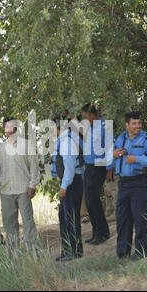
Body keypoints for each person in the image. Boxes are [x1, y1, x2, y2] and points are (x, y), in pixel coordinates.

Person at [112, 111, 147, 261]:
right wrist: (114, 156)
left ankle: (140, 252)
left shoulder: (146, 139)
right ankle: (122, 253)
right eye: (134, 123)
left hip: (140, 183)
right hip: (124, 183)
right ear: (127, 125)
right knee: (122, 219)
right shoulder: (121, 139)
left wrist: (137, 159)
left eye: (139, 123)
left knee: (140, 219)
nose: (138, 126)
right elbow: (111, 160)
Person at [0, 118, 41, 250]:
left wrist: (32, 184)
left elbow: (34, 166)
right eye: (6, 127)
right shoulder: (1, 148)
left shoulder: (26, 145)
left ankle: (33, 250)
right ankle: (13, 251)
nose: (8, 130)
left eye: (11, 127)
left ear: (16, 128)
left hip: (23, 189)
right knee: (9, 222)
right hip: (6, 191)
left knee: (27, 221)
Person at [51, 116, 85, 261]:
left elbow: (70, 167)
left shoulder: (67, 142)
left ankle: (74, 252)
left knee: (70, 219)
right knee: (64, 218)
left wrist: (64, 186)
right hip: (72, 182)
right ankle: (67, 251)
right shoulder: (67, 139)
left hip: (71, 183)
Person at [81, 103, 113, 245]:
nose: (85, 120)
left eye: (86, 117)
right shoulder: (91, 128)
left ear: (92, 115)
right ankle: (96, 231)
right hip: (88, 166)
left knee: (93, 198)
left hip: (99, 166)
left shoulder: (104, 127)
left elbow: (110, 148)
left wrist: (110, 169)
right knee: (89, 200)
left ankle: (103, 232)